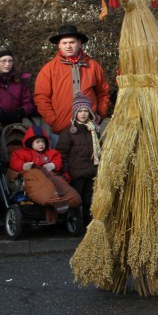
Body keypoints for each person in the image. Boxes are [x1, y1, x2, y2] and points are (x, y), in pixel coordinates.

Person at [33, 24, 111, 135]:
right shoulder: (49, 69)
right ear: (59, 45)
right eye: (64, 43)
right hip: (62, 129)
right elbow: (41, 97)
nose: (68, 46)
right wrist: (53, 120)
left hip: (89, 128)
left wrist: (99, 114)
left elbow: (103, 92)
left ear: (79, 43)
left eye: (72, 42)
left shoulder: (93, 66)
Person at [8, 125, 82, 223]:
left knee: (60, 182)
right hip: (33, 175)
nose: (41, 144)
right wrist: (24, 165)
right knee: (40, 181)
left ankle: (66, 198)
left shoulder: (51, 153)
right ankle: (52, 199)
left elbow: (58, 161)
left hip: (51, 176)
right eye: (37, 142)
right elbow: (14, 163)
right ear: (30, 143)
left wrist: (53, 165)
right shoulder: (21, 153)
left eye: (43, 142)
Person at [57, 94, 101, 222]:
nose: (83, 114)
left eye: (86, 111)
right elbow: (62, 153)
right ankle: (74, 223)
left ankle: (88, 225)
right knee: (76, 200)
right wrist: (65, 171)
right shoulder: (69, 133)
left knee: (90, 200)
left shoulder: (94, 131)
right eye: (80, 111)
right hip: (76, 173)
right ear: (75, 113)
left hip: (93, 171)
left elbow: (100, 150)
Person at [0, 48, 36, 126]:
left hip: (17, 124)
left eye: (10, 61)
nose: (7, 64)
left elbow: (28, 102)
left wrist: (22, 111)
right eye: (4, 61)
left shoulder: (19, 80)